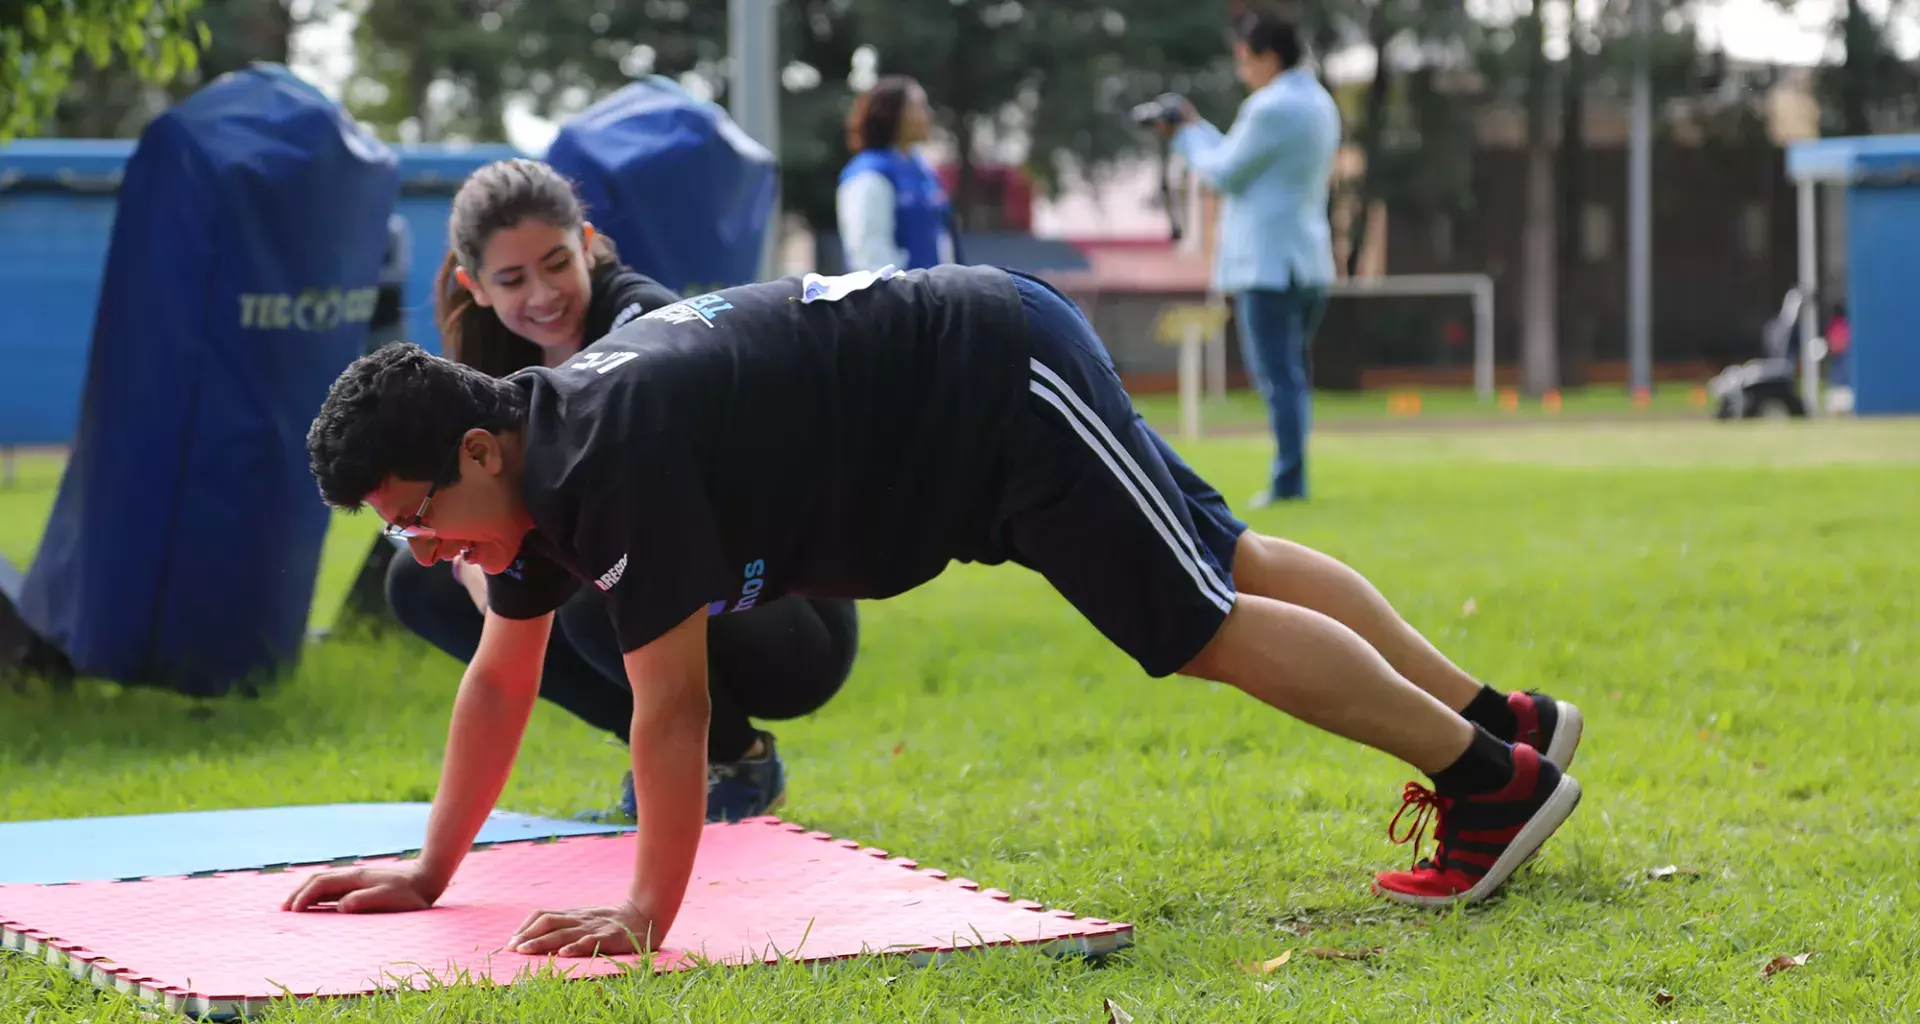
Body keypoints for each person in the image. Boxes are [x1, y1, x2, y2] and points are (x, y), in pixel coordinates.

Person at [289, 261, 1586, 957]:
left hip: (988, 387)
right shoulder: (527, 478)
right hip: (955, 431)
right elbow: (499, 681)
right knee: (1222, 558)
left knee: (1195, 621)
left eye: (413, 513)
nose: (419, 547)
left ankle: (1488, 778)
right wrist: (427, 871)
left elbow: (671, 709)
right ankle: (1504, 719)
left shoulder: (600, 461)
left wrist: (644, 915)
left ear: (473, 448)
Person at [388, 157, 860, 823]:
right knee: (417, 579)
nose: (543, 293)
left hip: (790, 616)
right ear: (478, 286)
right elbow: (463, 506)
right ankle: (671, 752)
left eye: (556, 263)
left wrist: (512, 574)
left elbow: (653, 523)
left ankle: (735, 759)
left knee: (595, 582)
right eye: (513, 278)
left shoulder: (643, 321)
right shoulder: (488, 356)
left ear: (586, 243)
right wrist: (480, 571)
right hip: (658, 585)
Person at [1163, 9, 1340, 505]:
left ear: (1267, 56)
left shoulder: (1269, 108)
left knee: (1278, 378)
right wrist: (1199, 131)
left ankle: (1289, 481)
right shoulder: (1319, 102)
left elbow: (1224, 174)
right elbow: (1245, 161)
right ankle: (1292, 474)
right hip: (1307, 260)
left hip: (1266, 264)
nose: (1241, 71)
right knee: (1292, 375)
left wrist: (1183, 135)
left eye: (1244, 60)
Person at [836, 75, 957, 273]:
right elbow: (869, 257)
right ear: (893, 114)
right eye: (919, 107)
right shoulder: (869, 174)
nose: (928, 114)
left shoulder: (921, 167)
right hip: (902, 301)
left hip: (932, 298)